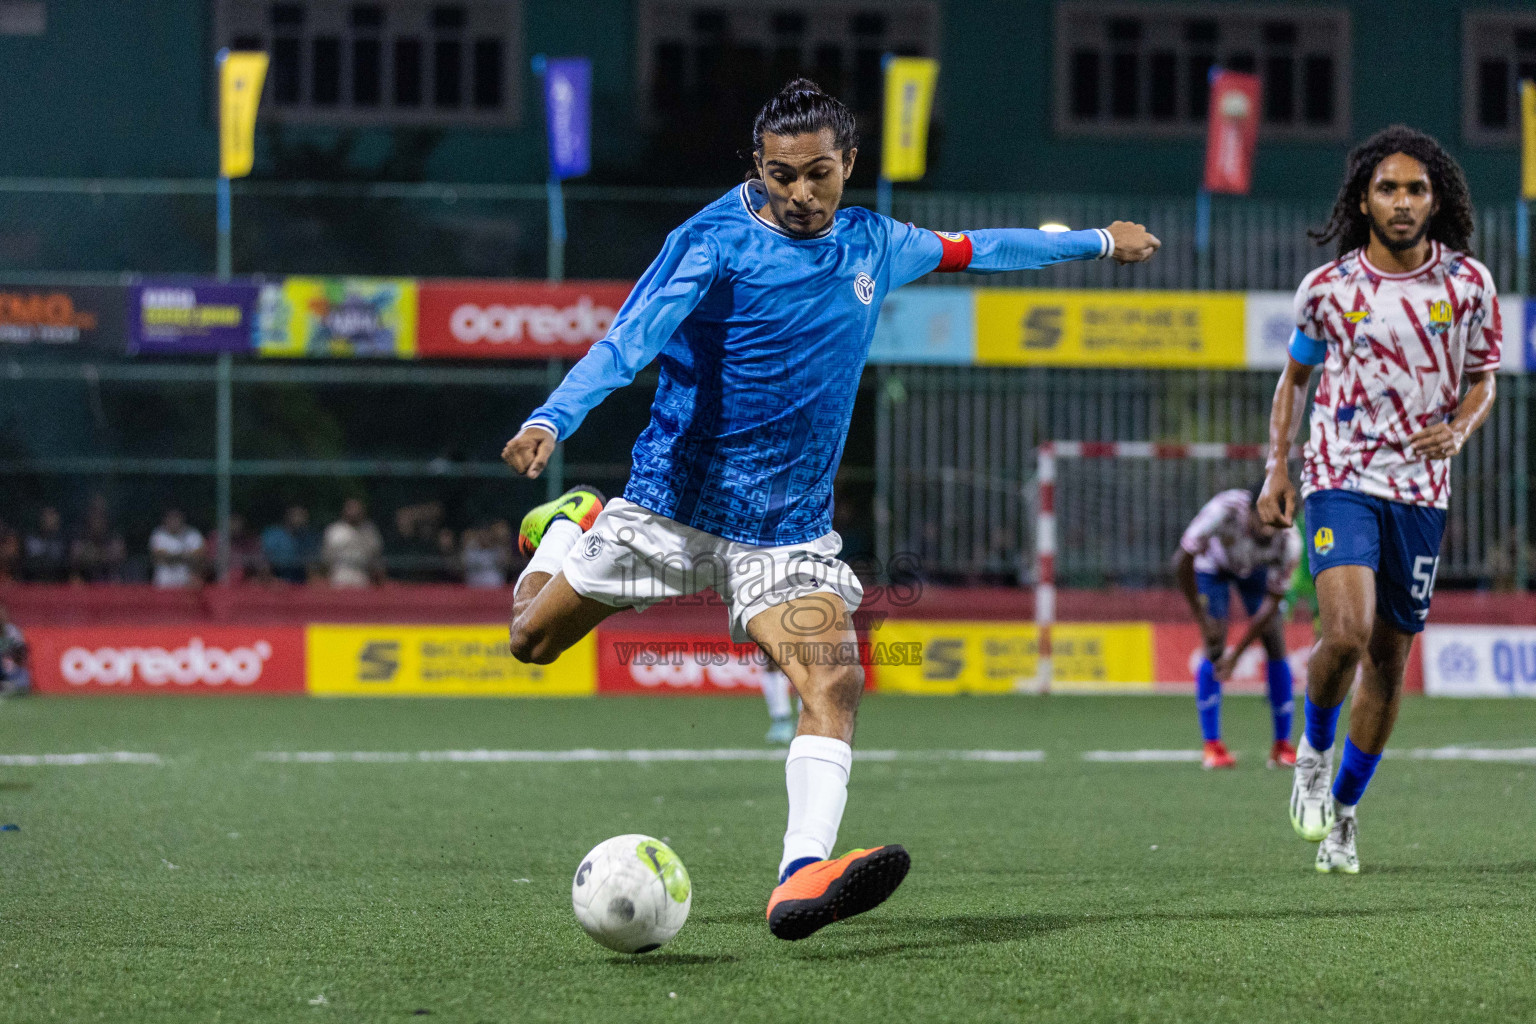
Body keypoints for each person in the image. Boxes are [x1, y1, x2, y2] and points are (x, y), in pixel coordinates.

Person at [499, 79, 1160, 939]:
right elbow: (629, 339)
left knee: (834, 678)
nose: (801, 195)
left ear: (849, 163)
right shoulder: (709, 240)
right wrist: (554, 415)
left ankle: (800, 871)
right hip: (669, 507)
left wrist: (1099, 241)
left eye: (819, 174)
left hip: (788, 531)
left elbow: (979, 248)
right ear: (758, 167)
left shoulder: (877, 241)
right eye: (781, 176)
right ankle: (560, 530)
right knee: (531, 641)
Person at [1259, 126, 1499, 874]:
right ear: (1363, 199)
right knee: (1348, 632)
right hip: (1341, 476)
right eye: (1388, 188)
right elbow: (1295, 379)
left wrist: (1459, 427)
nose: (1402, 201)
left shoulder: (1468, 286)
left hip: (1422, 492)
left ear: (1436, 201)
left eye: (1415, 189)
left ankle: (1347, 814)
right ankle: (1312, 758)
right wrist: (1277, 468)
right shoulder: (1329, 290)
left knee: (1390, 665)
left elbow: (1485, 380)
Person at [1173, 484, 1302, 770]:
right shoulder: (1223, 510)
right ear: (1255, 509)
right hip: (1214, 567)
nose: (1271, 532)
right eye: (1266, 522)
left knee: (1275, 641)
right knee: (1215, 641)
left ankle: (1282, 746)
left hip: (1255, 572)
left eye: (1279, 525)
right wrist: (1201, 618)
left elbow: (1272, 605)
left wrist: (1239, 654)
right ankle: (1213, 746)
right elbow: (1181, 561)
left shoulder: (1290, 543)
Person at [322, 498, 384, 587]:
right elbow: (326, 558)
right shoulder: (334, 530)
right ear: (344, 511)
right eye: (351, 508)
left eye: (357, 509)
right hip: (339, 576)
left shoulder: (370, 531)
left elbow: (376, 556)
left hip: (362, 576)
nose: (354, 512)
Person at [70, 496, 127, 584]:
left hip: (109, 580)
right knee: (75, 579)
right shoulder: (81, 537)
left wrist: (95, 556)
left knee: (117, 580)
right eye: (94, 516)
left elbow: (118, 556)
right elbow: (75, 557)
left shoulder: (114, 537)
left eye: (100, 517)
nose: (97, 522)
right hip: (86, 580)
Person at [262, 506, 319, 584]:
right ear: (287, 517)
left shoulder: (308, 537)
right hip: (277, 577)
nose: (299, 519)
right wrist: (271, 580)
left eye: (302, 516)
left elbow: (311, 565)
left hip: (300, 580)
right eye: (296, 516)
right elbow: (265, 562)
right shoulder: (273, 535)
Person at [149, 508, 205, 589]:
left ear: (182, 519)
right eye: (171, 518)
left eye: (176, 518)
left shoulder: (193, 534)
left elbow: (199, 556)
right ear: (166, 520)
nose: (174, 521)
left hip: (186, 582)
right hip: (164, 583)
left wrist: (172, 557)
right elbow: (159, 555)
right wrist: (185, 556)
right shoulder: (158, 534)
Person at [22, 507, 69, 583]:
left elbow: (65, 566)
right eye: (46, 516)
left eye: (52, 515)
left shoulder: (64, 541)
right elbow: (27, 564)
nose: (49, 519)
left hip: (57, 584)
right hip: (33, 583)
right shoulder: (30, 540)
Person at [0, 603, 29, 696]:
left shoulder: (12, 631)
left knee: (23, 682)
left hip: (11, 669)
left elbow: (22, 652)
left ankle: (10, 686)